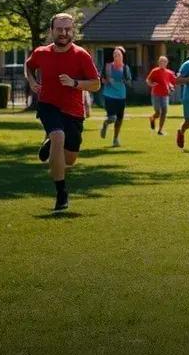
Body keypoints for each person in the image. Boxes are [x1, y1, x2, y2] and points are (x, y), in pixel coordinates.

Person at [24, 13, 101, 211]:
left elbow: (95, 84)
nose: (64, 33)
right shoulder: (41, 52)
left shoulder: (81, 55)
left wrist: (74, 83)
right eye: (59, 29)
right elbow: (29, 65)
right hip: (48, 104)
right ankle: (61, 193)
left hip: (74, 111)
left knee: (70, 159)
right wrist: (32, 81)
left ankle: (50, 144)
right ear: (52, 31)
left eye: (67, 29)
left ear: (72, 30)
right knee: (58, 136)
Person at [99, 46, 131, 147]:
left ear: (122, 56)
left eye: (118, 55)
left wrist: (123, 81)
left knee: (119, 119)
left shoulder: (125, 68)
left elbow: (129, 82)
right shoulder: (108, 66)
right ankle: (105, 124)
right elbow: (102, 79)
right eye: (115, 55)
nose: (116, 56)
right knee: (112, 118)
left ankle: (115, 139)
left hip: (121, 96)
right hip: (109, 95)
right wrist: (106, 80)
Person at [145, 56, 176, 135]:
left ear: (167, 63)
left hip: (165, 94)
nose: (162, 63)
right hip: (156, 94)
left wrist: (172, 87)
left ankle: (160, 130)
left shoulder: (169, 72)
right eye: (161, 61)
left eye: (164, 61)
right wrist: (151, 84)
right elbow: (148, 80)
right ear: (158, 62)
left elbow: (173, 82)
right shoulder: (155, 71)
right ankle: (152, 118)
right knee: (158, 113)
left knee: (164, 111)